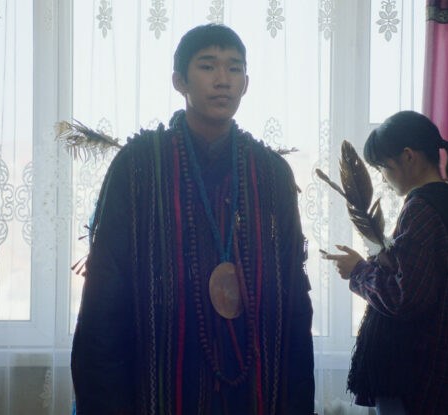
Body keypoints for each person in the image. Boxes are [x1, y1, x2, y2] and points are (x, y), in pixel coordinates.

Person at [71, 24, 315, 415]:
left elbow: (293, 293)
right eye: (207, 66)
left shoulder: (269, 172)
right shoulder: (139, 166)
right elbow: (104, 294)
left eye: (234, 68)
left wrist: (297, 399)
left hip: (254, 382)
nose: (223, 80)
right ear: (179, 81)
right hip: (157, 382)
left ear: (246, 83)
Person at [327, 111, 448, 414]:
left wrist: (358, 271)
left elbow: (405, 298)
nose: (383, 179)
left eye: (383, 167)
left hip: (417, 380)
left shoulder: (421, 208)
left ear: (408, 156)